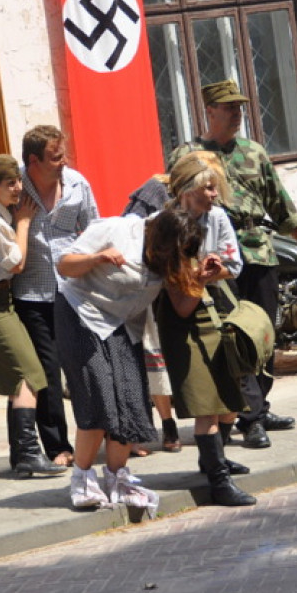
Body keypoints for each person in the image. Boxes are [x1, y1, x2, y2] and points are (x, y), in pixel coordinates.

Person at [168, 79, 297, 449]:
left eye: (240, 107)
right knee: (233, 334)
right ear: (210, 111)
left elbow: (277, 199)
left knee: (262, 331)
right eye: (229, 108)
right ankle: (249, 417)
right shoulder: (190, 154)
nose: (237, 114)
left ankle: (259, 407)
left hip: (257, 249)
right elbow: (174, 198)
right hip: (215, 252)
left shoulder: (254, 152)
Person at [0, 126, 97, 468]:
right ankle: (55, 447)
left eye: (63, 155)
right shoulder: (12, 181)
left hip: (73, 290)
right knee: (42, 371)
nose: (63, 162)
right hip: (30, 294)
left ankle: (95, 436)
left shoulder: (77, 184)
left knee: (83, 365)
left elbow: (94, 228)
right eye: (55, 157)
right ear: (33, 161)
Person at [0, 154, 66, 477]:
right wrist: (23, 224)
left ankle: (21, 457)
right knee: (30, 373)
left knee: (16, 377)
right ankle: (29, 453)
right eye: (10, 183)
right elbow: (16, 263)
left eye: (18, 181)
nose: (18, 187)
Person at [54, 213, 165, 513]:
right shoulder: (116, 229)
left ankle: (118, 479)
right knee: (98, 395)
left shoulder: (172, 255)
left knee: (130, 398)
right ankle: (82, 479)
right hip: (82, 313)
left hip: (125, 324)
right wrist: (97, 258)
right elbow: (64, 265)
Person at [150, 206, 256, 506]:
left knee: (229, 403)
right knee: (207, 409)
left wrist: (210, 269)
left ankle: (213, 459)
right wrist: (201, 280)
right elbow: (183, 307)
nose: (193, 247)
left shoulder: (185, 256)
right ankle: (219, 483)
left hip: (210, 327)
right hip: (185, 337)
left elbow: (218, 275)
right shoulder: (166, 265)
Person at [122, 175, 180, 454]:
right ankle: (165, 425)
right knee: (153, 360)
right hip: (149, 290)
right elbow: (132, 238)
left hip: (177, 288)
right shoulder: (154, 192)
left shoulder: (204, 201)